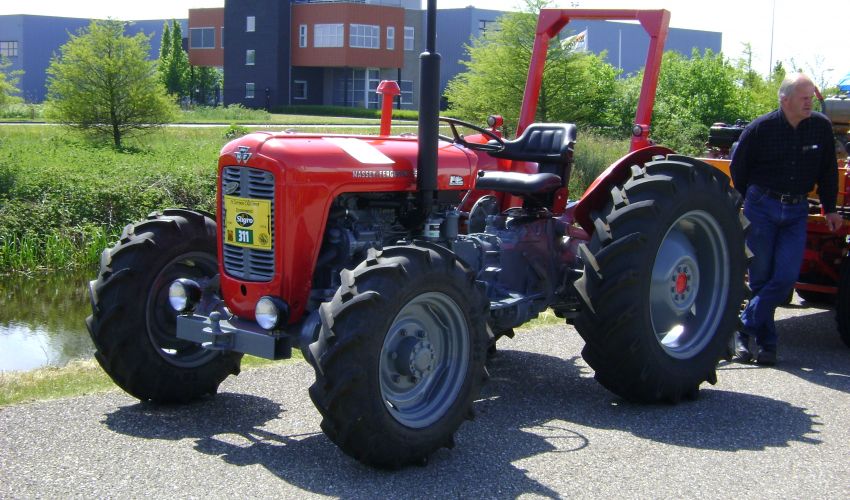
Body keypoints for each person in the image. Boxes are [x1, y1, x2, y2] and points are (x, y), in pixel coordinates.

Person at [730, 73, 842, 366]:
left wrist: (830, 208)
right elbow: (738, 168)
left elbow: (829, 170)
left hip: (796, 211)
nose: (810, 102)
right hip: (762, 207)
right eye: (804, 98)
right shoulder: (760, 129)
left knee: (785, 278)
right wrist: (747, 201)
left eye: (810, 97)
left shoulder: (820, 128)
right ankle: (767, 345)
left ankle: (742, 327)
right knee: (761, 277)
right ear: (785, 99)